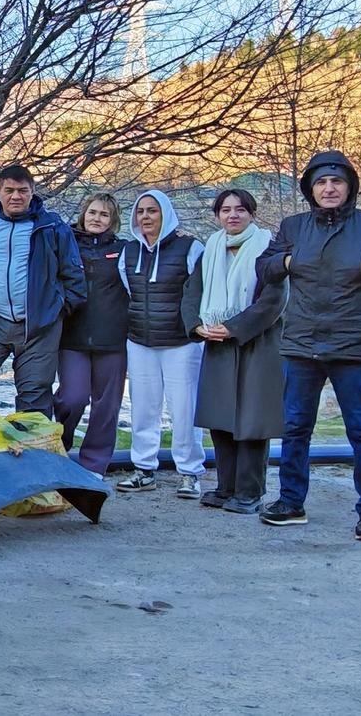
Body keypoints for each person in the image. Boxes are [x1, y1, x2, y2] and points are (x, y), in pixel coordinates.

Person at [256, 151, 361, 541]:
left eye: (337, 182)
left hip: (353, 347)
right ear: (310, 189)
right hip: (301, 345)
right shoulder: (293, 227)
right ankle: (290, 502)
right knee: (296, 428)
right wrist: (285, 261)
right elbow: (264, 268)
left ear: (349, 187)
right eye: (321, 183)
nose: (329, 189)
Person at [0, 165, 86, 414]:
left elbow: (74, 275)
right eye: (9, 190)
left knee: (35, 392)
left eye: (23, 190)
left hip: (39, 326)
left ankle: (31, 448)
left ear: (32, 192)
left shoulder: (52, 227)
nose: (16, 196)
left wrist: (57, 311)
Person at [182, 189, 285, 513]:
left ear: (251, 213)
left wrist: (235, 327)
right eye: (225, 210)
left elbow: (275, 298)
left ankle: (250, 492)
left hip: (256, 343)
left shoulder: (268, 249)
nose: (233, 215)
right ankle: (226, 487)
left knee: (252, 421)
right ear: (217, 216)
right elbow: (192, 292)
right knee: (221, 418)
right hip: (217, 345)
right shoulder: (211, 249)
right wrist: (197, 325)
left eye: (240, 209)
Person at [113, 190, 207, 498]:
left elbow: (199, 295)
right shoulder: (128, 253)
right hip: (140, 341)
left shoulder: (191, 249)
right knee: (143, 408)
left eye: (152, 211)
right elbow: (129, 293)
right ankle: (143, 469)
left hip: (181, 343)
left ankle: (189, 472)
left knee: (184, 409)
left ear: (165, 213)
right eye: (140, 212)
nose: (146, 217)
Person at [54, 193, 128, 475]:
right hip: (72, 337)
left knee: (106, 407)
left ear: (113, 220)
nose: (97, 218)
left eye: (104, 214)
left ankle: (94, 466)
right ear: (84, 214)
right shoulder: (66, 244)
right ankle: (59, 450)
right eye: (93, 212)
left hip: (113, 340)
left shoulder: (124, 250)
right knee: (72, 398)